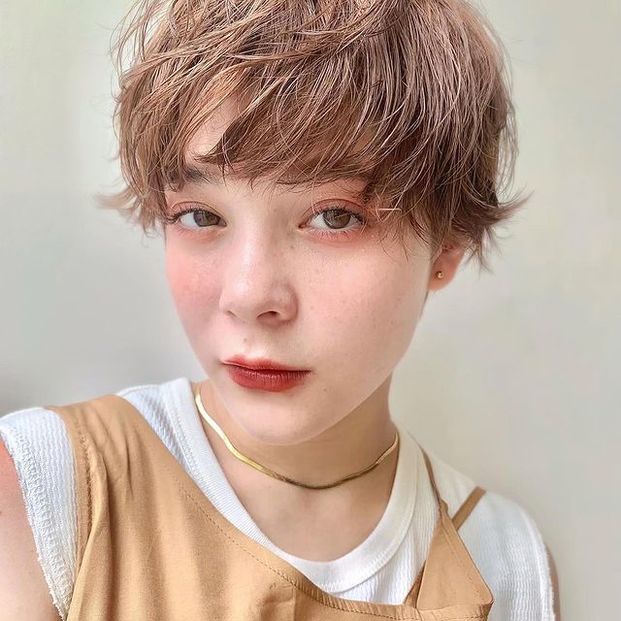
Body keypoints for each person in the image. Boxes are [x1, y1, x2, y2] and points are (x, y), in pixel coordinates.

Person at [0, 0, 560, 619]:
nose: (248, 296)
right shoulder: (44, 487)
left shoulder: (503, 558)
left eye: (335, 217)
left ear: (447, 245)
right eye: (201, 216)